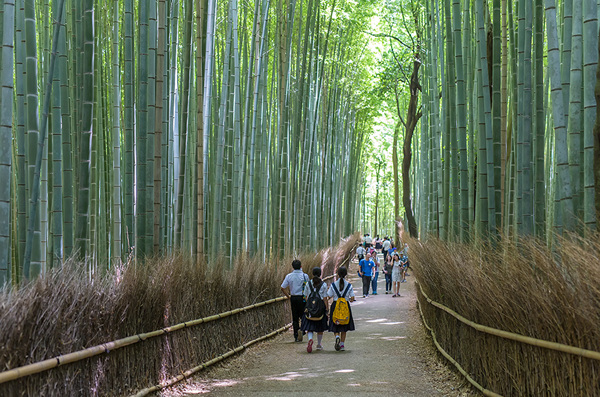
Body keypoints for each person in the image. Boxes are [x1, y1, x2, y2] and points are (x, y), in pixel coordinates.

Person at [301, 267, 329, 353]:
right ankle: (319, 344)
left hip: (310, 309)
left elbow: (305, 297)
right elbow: (325, 298)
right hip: (320, 309)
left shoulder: (308, 284)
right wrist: (327, 308)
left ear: (312, 274)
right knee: (320, 328)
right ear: (320, 274)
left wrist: (310, 305)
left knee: (310, 326)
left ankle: (310, 339)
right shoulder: (323, 284)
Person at [327, 266, 355, 351]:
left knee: (335, 323)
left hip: (335, 305)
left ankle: (337, 336)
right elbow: (352, 297)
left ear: (338, 274)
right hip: (345, 306)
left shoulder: (333, 285)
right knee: (344, 325)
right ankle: (342, 345)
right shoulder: (349, 285)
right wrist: (350, 300)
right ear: (346, 274)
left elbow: (328, 295)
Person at [281, 259, 309, 342]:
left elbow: (282, 287)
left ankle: (296, 335)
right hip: (303, 298)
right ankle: (303, 330)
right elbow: (308, 287)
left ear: (292, 267)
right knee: (304, 315)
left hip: (293, 298)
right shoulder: (305, 276)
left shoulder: (289, 276)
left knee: (295, 317)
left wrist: (288, 296)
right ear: (301, 266)